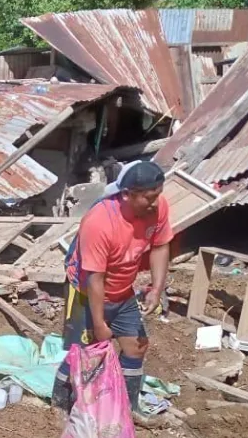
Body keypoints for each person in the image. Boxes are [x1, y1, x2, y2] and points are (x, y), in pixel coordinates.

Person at [51, 161, 172, 417]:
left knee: (136, 346)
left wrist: (156, 289)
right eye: (148, 198)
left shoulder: (158, 208)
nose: (155, 203)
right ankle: (60, 404)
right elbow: (95, 277)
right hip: (86, 292)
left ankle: (128, 409)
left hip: (122, 290)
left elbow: (160, 247)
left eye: (157, 195)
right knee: (84, 353)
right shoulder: (100, 222)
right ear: (126, 194)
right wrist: (99, 323)